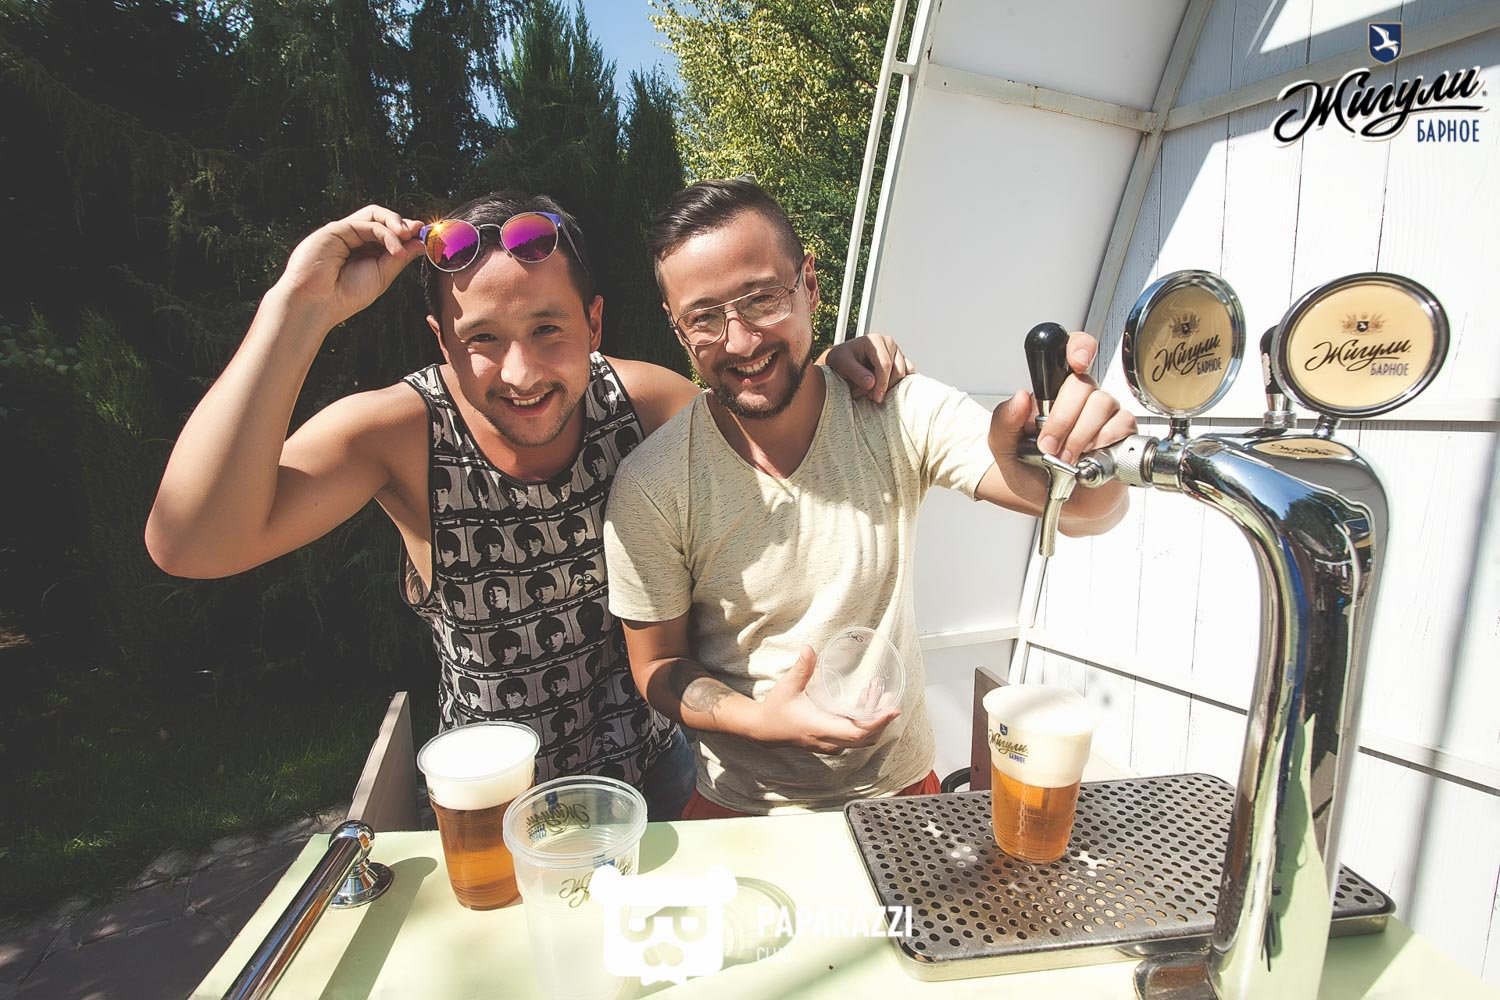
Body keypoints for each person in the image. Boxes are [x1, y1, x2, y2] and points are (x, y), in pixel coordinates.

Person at [144, 192, 915, 822]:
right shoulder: (401, 435)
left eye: (548, 329)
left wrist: (834, 370)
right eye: (481, 338)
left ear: (594, 324)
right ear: (441, 341)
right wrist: (299, 307)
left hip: (655, 786)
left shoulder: (644, 403)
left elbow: (762, 421)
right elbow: (192, 542)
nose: (521, 373)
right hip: (494, 806)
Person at [603, 178, 1136, 819]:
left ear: (810, 285)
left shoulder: (896, 412)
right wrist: (758, 721)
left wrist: (1089, 456)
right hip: (740, 812)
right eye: (704, 318)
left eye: (762, 298)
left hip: (902, 801)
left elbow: (1083, 510)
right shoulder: (654, 484)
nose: (740, 341)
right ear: (677, 328)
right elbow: (659, 664)